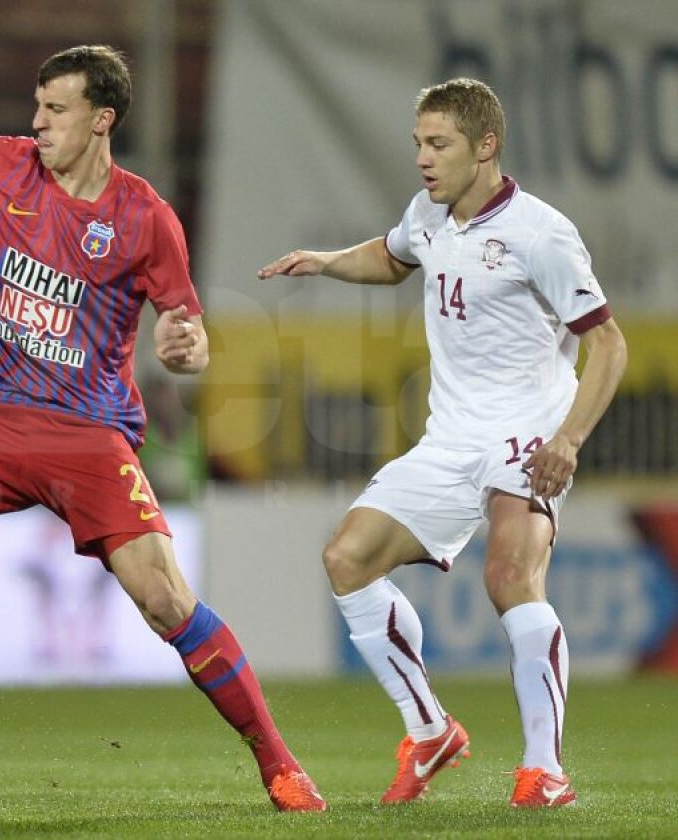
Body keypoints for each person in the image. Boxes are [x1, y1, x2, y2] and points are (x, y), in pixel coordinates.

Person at [0, 44, 326, 813]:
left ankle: (279, 763)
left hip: (88, 433)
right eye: (37, 106)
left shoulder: (146, 218)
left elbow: (188, 330)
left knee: (165, 601)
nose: (37, 122)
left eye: (56, 109)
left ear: (101, 119)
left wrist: (186, 347)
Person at [258, 78, 627, 807]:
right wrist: (327, 260)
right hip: (450, 436)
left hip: (526, 432)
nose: (424, 159)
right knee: (347, 558)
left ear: (485, 146)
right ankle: (429, 732)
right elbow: (395, 258)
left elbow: (608, 346)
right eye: (419, 144)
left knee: (511, 576)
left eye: (439, 144)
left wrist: (569, 438)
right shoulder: (428, 213)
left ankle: (544, 771)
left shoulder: (540, 232)